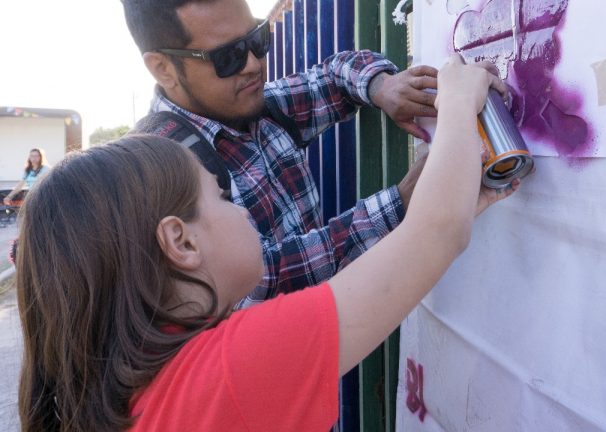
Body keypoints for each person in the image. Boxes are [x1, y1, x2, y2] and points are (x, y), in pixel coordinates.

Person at [16, 56, 520, 431]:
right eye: (220, 195)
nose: (239, 207)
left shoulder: (139, 388)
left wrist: (457, 196)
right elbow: (436, 233)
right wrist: (457, 100)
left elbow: (437, 224)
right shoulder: (230, 371)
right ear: (181, 242)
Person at [117, 0, 441, 305]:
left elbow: (334, 74)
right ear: (163, 68)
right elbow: (258, 279)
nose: (254, 65)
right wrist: (402, 201)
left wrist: (381, 86)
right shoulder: (155, 174)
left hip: (326, 340)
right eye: (228, 57)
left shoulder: (260, 106)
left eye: (257, 39)